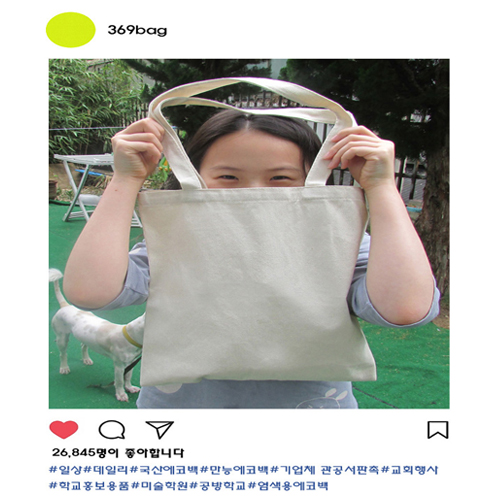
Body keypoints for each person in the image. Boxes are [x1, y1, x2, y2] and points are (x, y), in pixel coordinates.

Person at [63, 109, 440, 409]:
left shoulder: (339, 242)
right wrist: (125, 179)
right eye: (228, 177)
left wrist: (381, 186)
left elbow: (404, 309)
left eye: (281, 178)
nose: (254, 194)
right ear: (192, 175)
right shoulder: (178, 239)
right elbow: (89, 292)